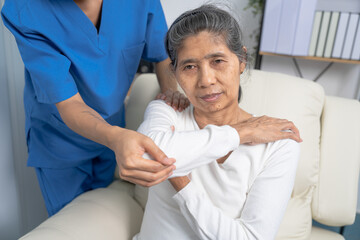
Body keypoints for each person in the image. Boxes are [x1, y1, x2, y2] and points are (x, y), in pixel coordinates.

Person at [1, 0, 188, 216]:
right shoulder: (26, 9)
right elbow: (70, 104)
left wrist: (170, 91)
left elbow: (163, 55)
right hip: (60, 141)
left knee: (104, 212)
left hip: (112, 133)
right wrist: (117, 138)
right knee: (71, 223)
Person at [134, 5, 301, 240]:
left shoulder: (279, 143)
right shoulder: (168, 110)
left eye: (218, 61)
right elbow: (140, 158)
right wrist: (239, 133)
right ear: (175, 72)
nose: (206, 79)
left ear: (241, 60)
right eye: (190, 66)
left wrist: (181, 182)